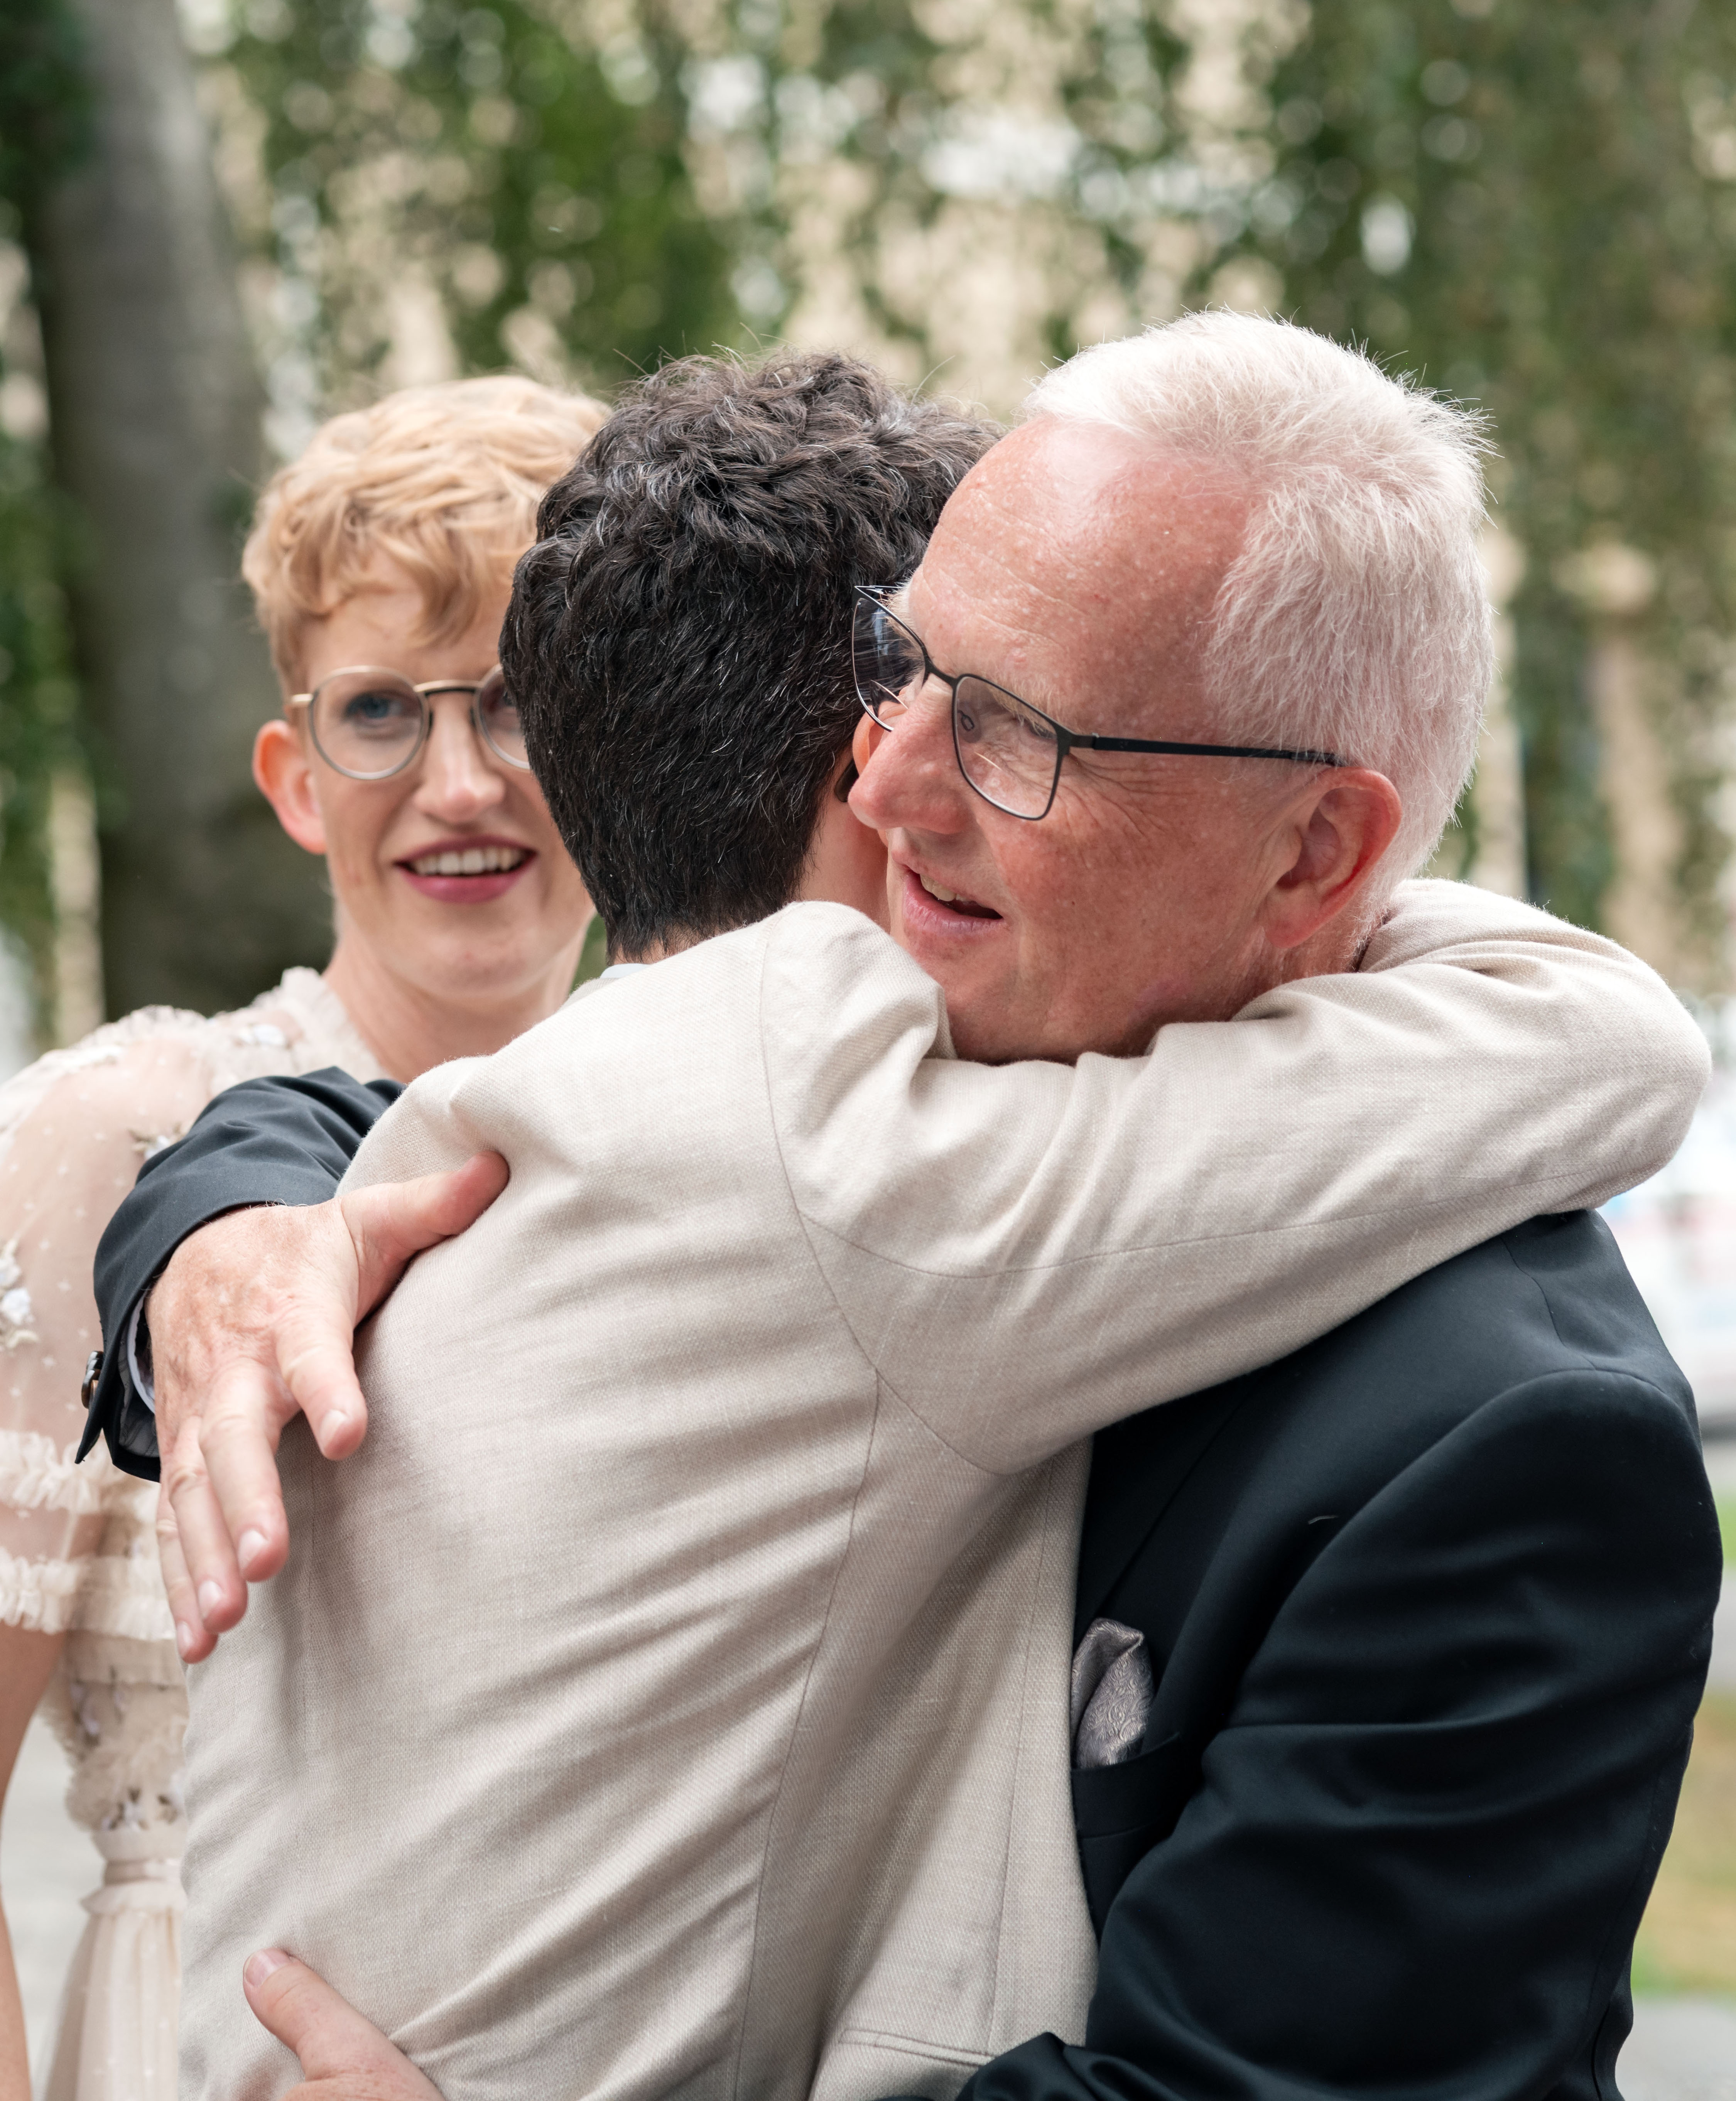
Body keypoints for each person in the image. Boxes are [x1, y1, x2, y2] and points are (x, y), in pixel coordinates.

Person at [87, 325, 1718, 2101]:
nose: (883, 781)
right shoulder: (840, 1124)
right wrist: (220, 1214)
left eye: (1016, 733)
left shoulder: (1500, 1431)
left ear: (1319, 851)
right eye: (905, 665)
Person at [0, 373, 610, 2101]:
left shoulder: (688, 1137)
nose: (458, 783)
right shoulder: (108, 1139)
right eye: (380, 712)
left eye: (519, 703)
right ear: (291, 775)